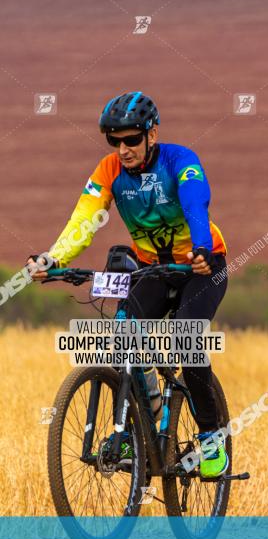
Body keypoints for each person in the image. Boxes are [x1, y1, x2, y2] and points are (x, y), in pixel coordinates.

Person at [27, 91, 230, 478]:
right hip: (152, 268)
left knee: (188, 343)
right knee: (123, 331)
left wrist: (202, 248)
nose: (123, 149)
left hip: (201, 267)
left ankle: (210, 437)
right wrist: (54, 260)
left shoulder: (180, 160)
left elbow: (194, 203)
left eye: (132, 139)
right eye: (114, 141)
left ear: (152, 134)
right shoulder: (109, 171)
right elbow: (83, 221)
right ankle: (148, 415)